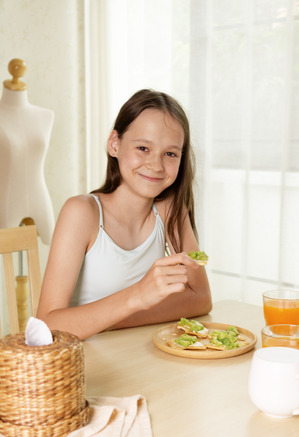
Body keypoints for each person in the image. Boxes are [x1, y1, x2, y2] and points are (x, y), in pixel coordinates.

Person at [37, 89, 212, 339]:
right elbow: (46, 326)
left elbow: (201, 299)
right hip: (83, 365)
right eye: (143, 147)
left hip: (137, 358)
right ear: (115, 144)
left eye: (170, 153)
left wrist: (114, 318)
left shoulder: (169, 209)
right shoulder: (82, 213)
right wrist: (139, 295)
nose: (156, 165)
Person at [0, 58, 55, 245]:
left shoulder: (45, 115)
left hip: (40, 196)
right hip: (6, 200)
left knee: (48, 248)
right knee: (7, 259)